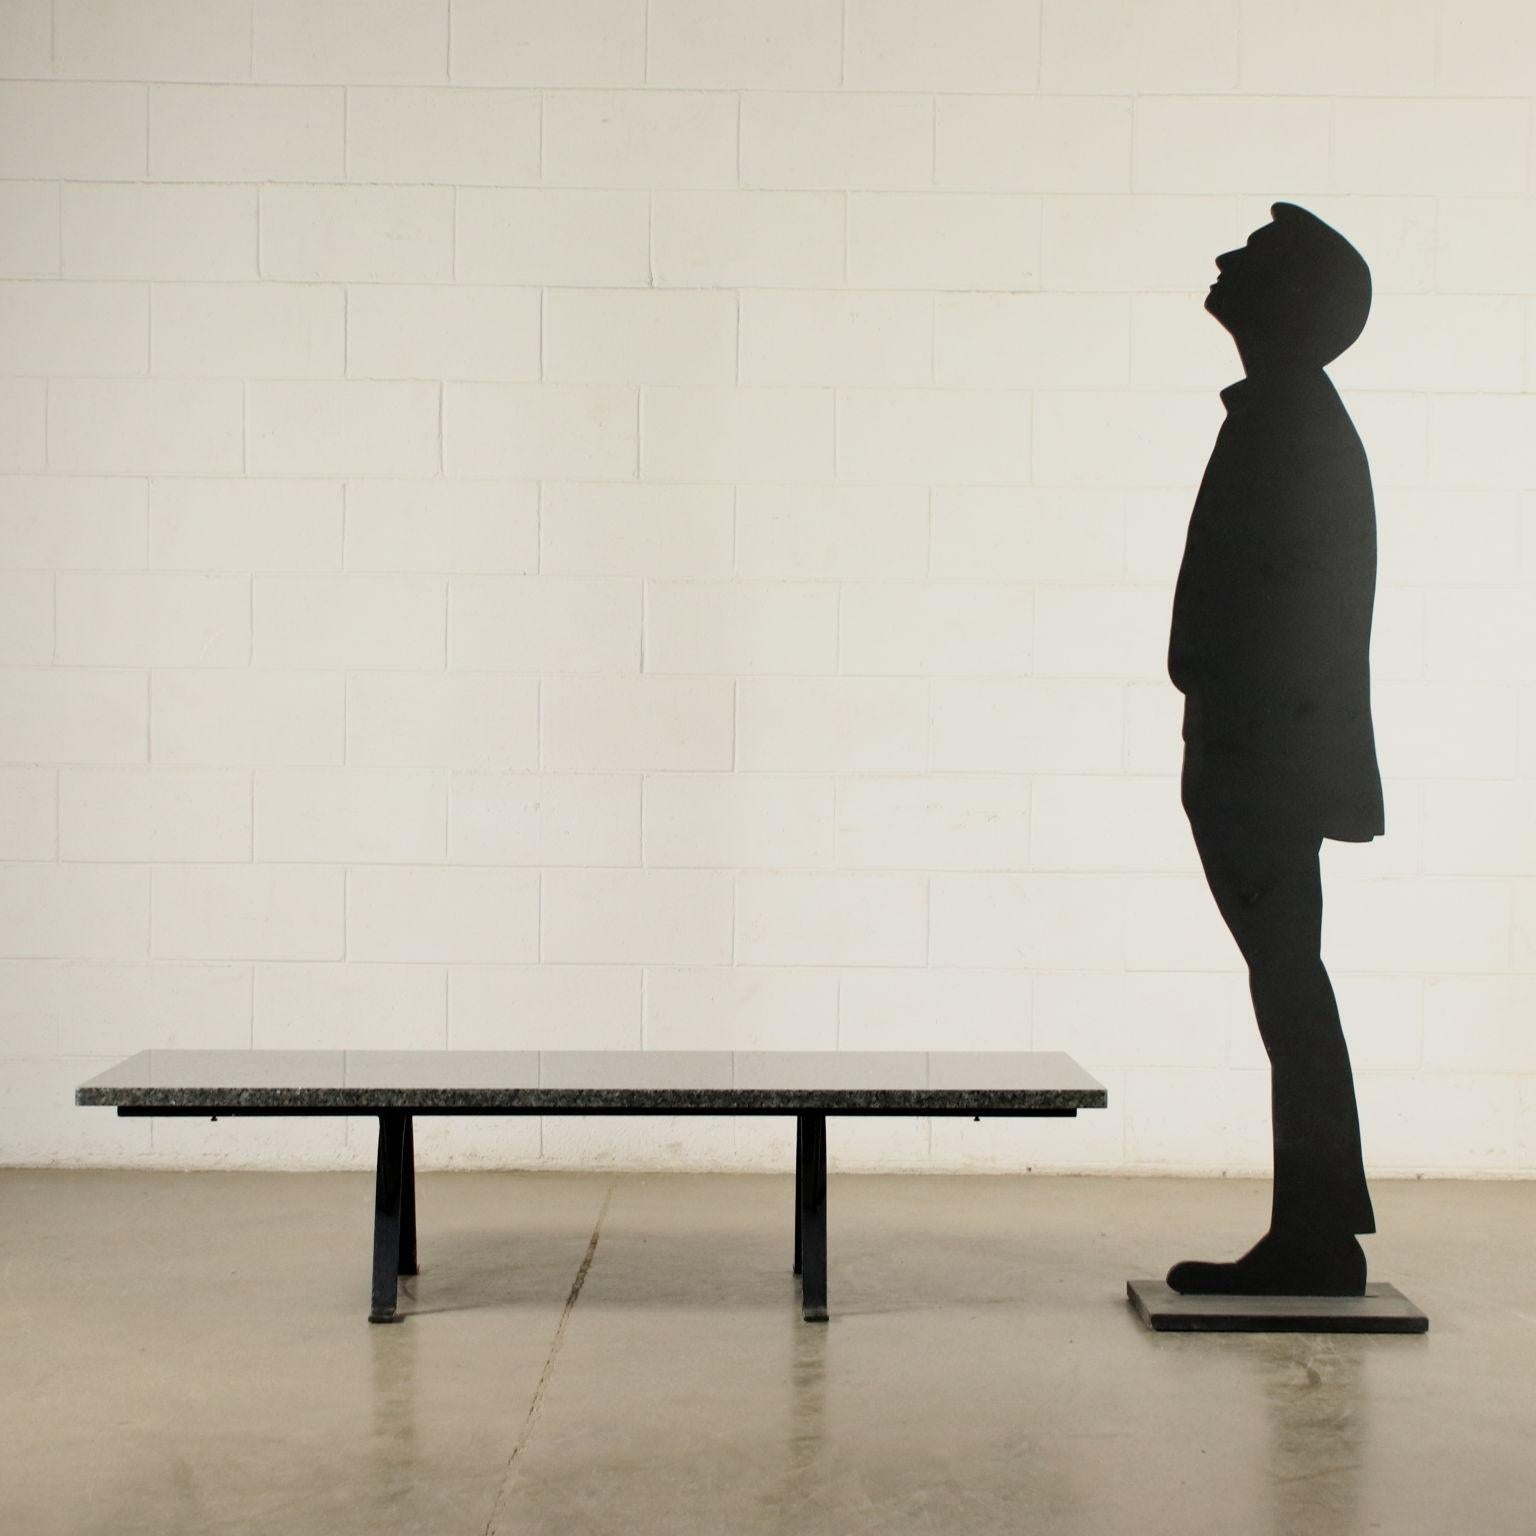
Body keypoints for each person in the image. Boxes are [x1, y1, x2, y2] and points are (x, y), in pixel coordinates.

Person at [1164, 202, 1383, 1296]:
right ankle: (1319, 1225)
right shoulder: (1288, 417)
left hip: (1263, 762)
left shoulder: (1291, 424)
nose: (1221, 261)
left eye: (1249, 258)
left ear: (1289, 302)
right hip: (1258, 756)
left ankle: (1318, 1234)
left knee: (1289, 981)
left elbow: (1300, 619)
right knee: (1288, 980)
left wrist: (1242, 739)